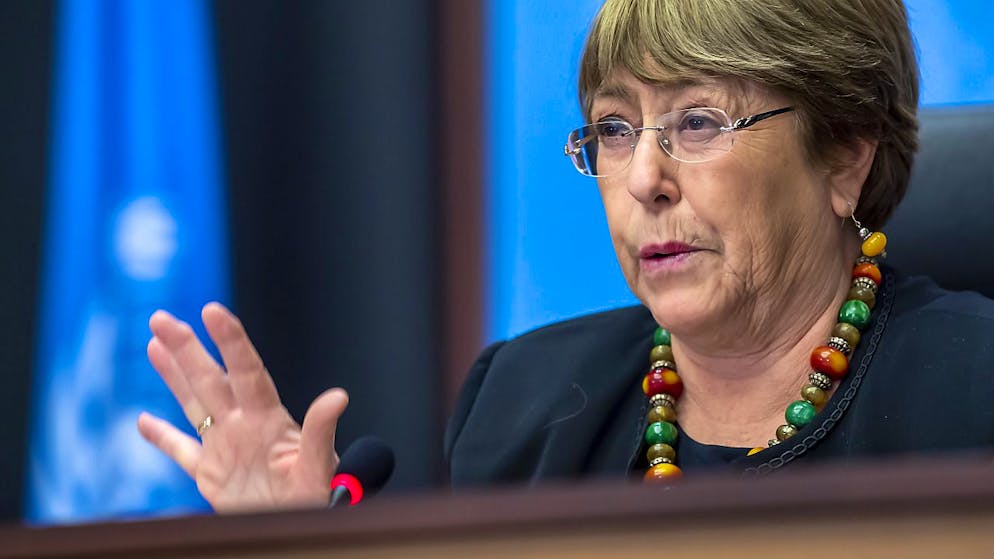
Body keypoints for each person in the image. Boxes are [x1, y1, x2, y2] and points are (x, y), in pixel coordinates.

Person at [138, 0, 994, 511]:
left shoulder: (973, 391)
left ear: (845, 156)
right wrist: (304, 545)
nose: (645, 179)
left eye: (698, 122)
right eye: (615, 129)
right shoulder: (522, 407)